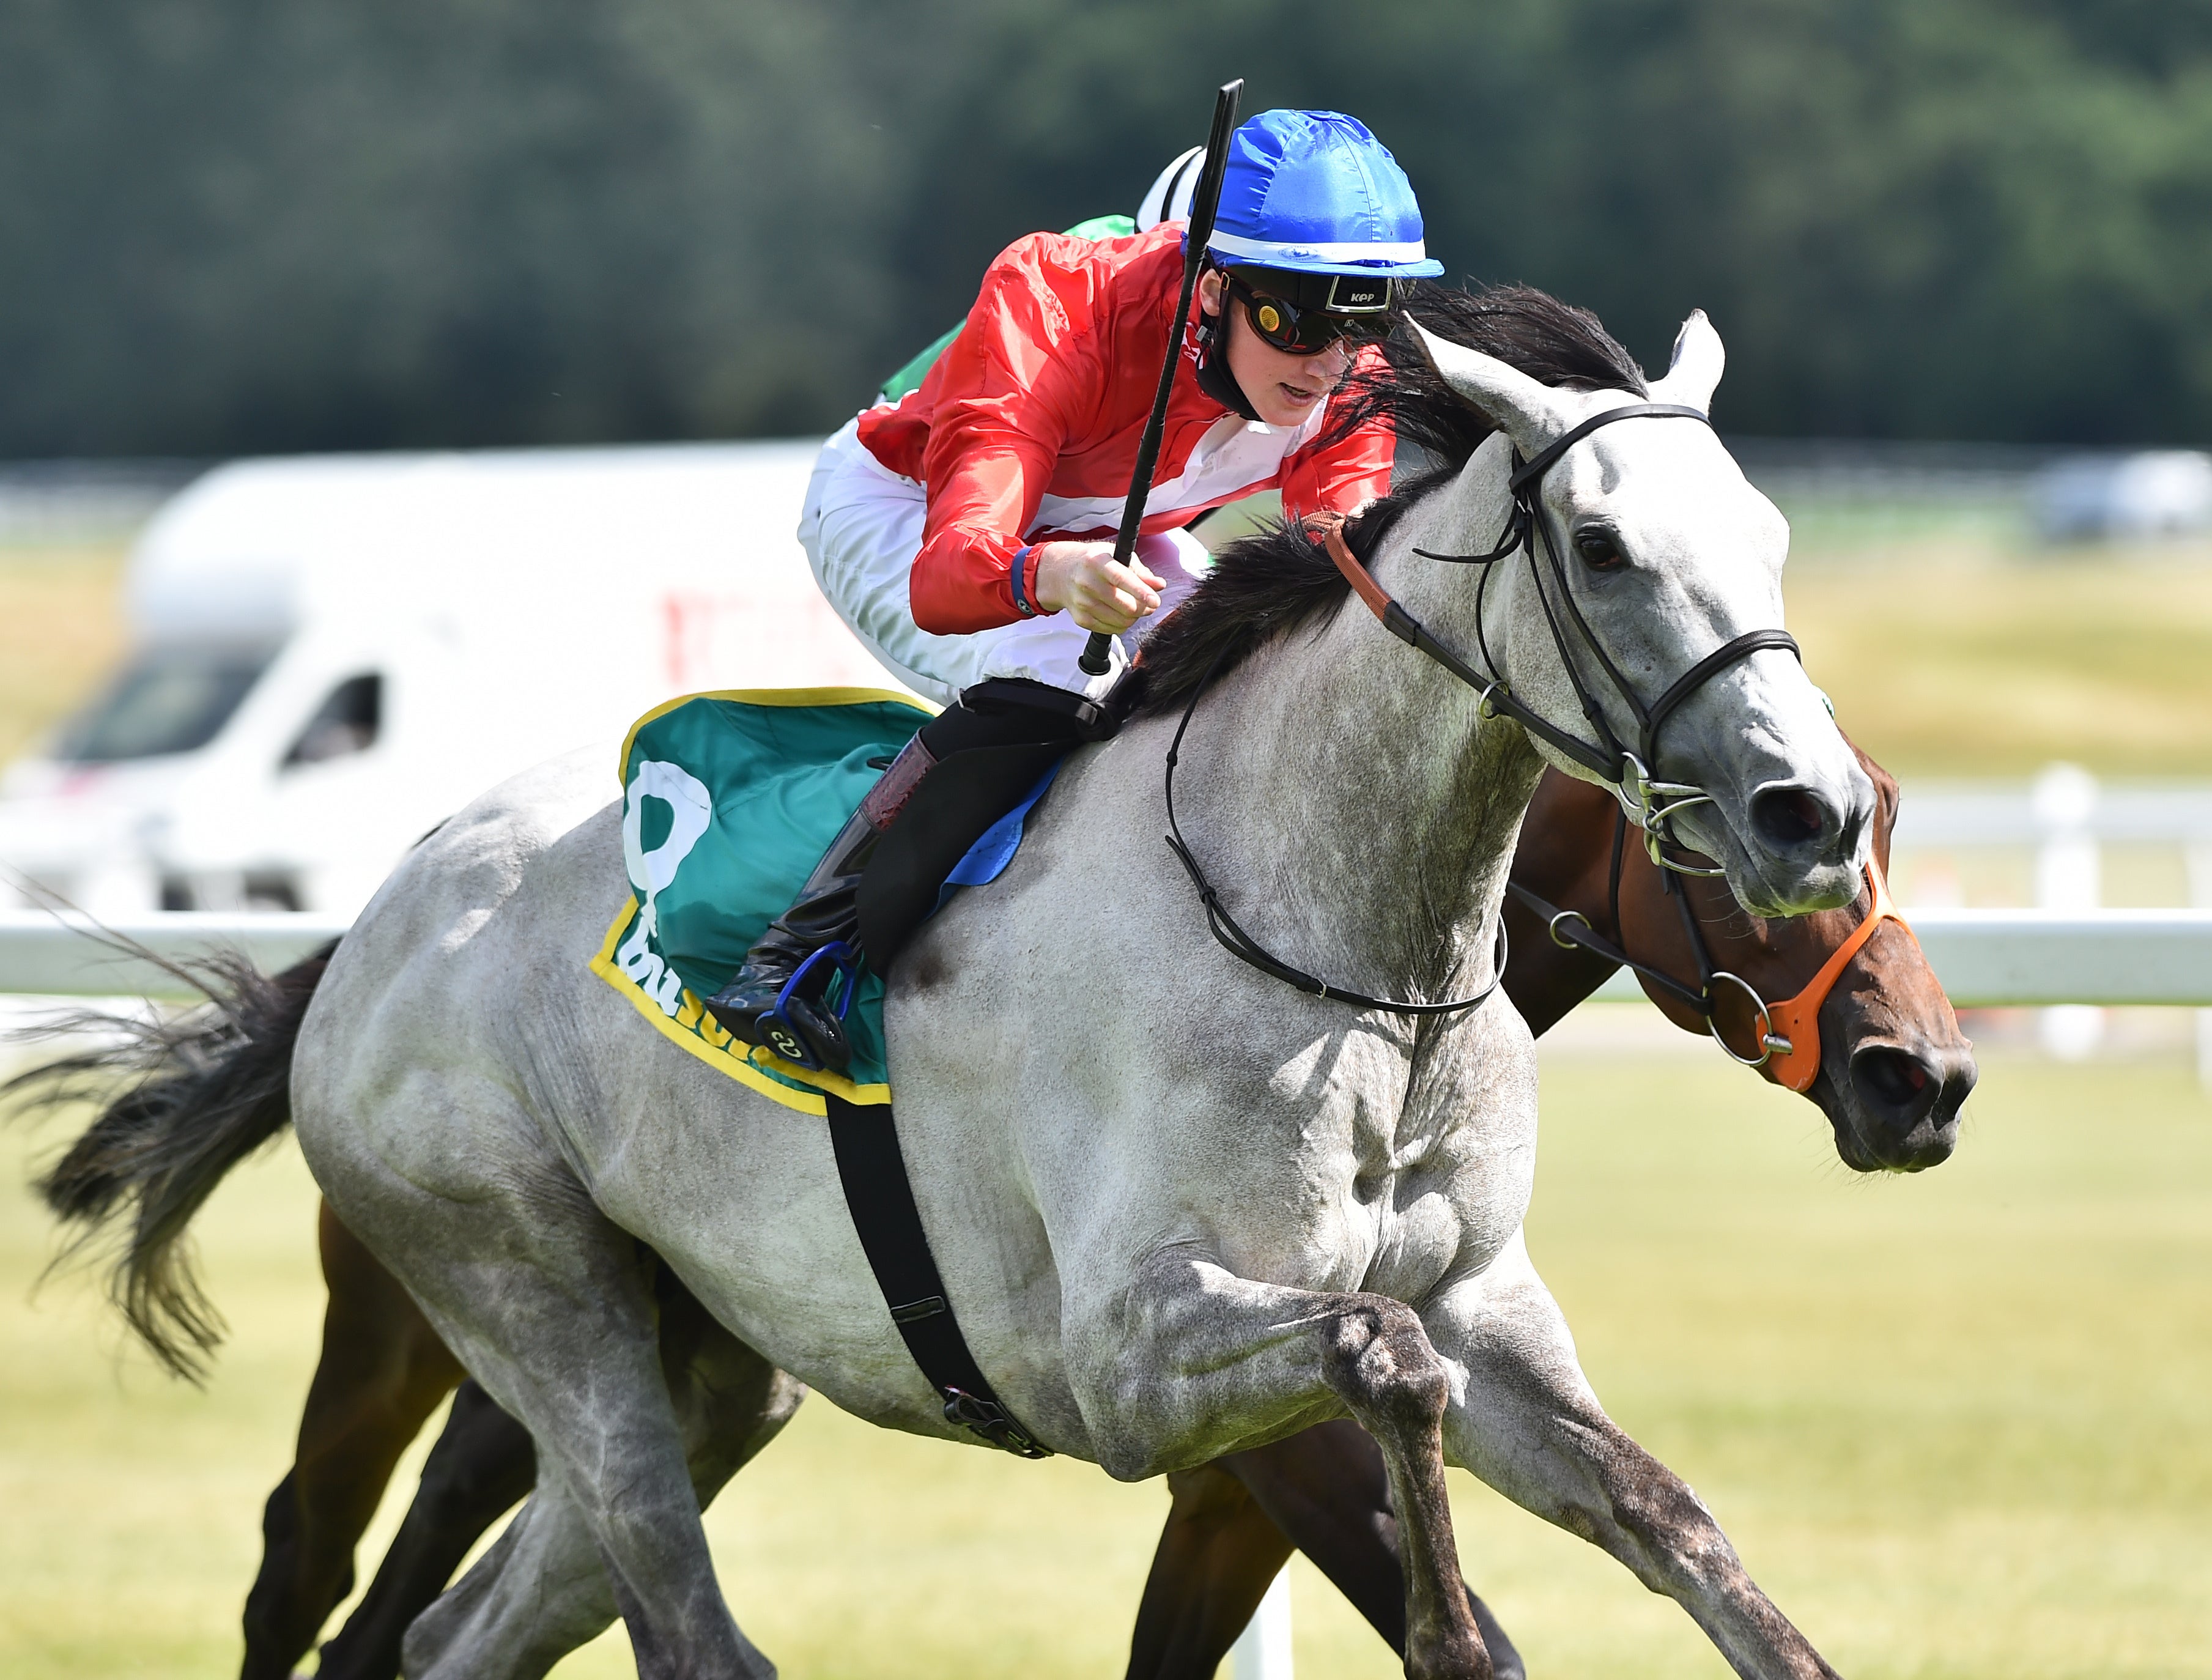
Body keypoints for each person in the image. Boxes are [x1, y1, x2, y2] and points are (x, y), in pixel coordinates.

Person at [707, 108, 1444, 1071]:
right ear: (1214, 289)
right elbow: (951, 573)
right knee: (1064, 663)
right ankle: (801, 957)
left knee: (1247, 677)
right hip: (904, 508)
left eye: (1365, 315)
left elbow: (1337, 581)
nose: (1331, 359)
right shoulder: (1054, 299)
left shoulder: (1347, 374)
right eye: (1296, 316)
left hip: (1112, 535)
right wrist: (1046, 572)